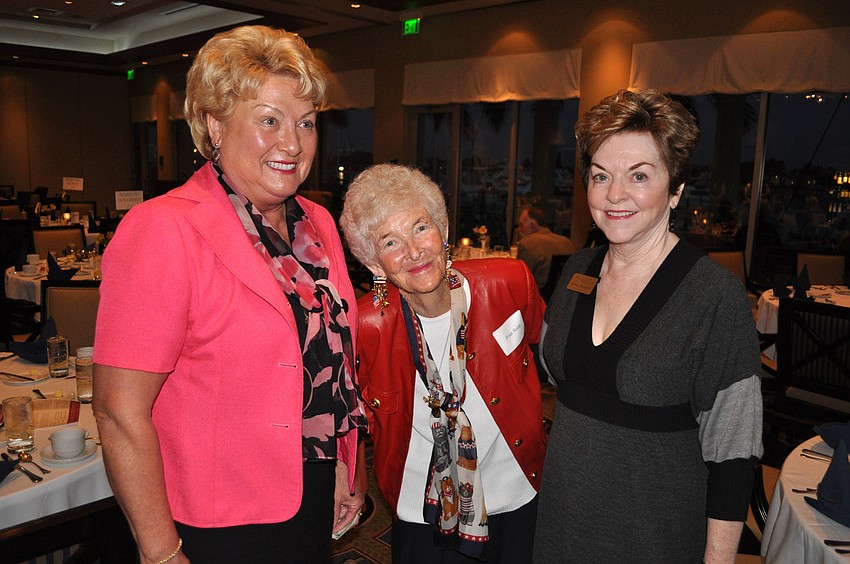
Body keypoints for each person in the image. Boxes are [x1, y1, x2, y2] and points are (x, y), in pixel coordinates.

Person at [92, 25, 366, 564]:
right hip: (215, 521)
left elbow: (328, 366)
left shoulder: (318, 224)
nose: (293, 143)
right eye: (269, 120)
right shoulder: (163, 229)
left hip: (309, 498)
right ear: (215, 125)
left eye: (306, 123)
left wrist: (338, 464)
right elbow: (118, 411)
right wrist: (161, 552)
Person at [533, 90, 762, 563]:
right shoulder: (577, 269)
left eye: (639, 176)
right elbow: (554, 376)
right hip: (561, 520)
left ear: (675, 189)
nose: (615, 195)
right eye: (601, 176)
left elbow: (734, 455)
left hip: (653, 532)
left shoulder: (714, 296)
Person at [340, 164, 548, 563]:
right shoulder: (364, 327)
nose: (414, 251)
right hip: (423, 508)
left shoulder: (508, 282)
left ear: (443, 230)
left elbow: (545, 353)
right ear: (373, 263)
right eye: (390, 242)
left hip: (517, 489)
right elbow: (347, 419)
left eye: (421, 228)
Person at [515, 206, 575, 289]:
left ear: (532, 225)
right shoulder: (567, 242)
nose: (518, 229)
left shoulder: (527, 244)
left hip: (539, 297)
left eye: (521, 225)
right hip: (564, 295)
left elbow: (520, 280)